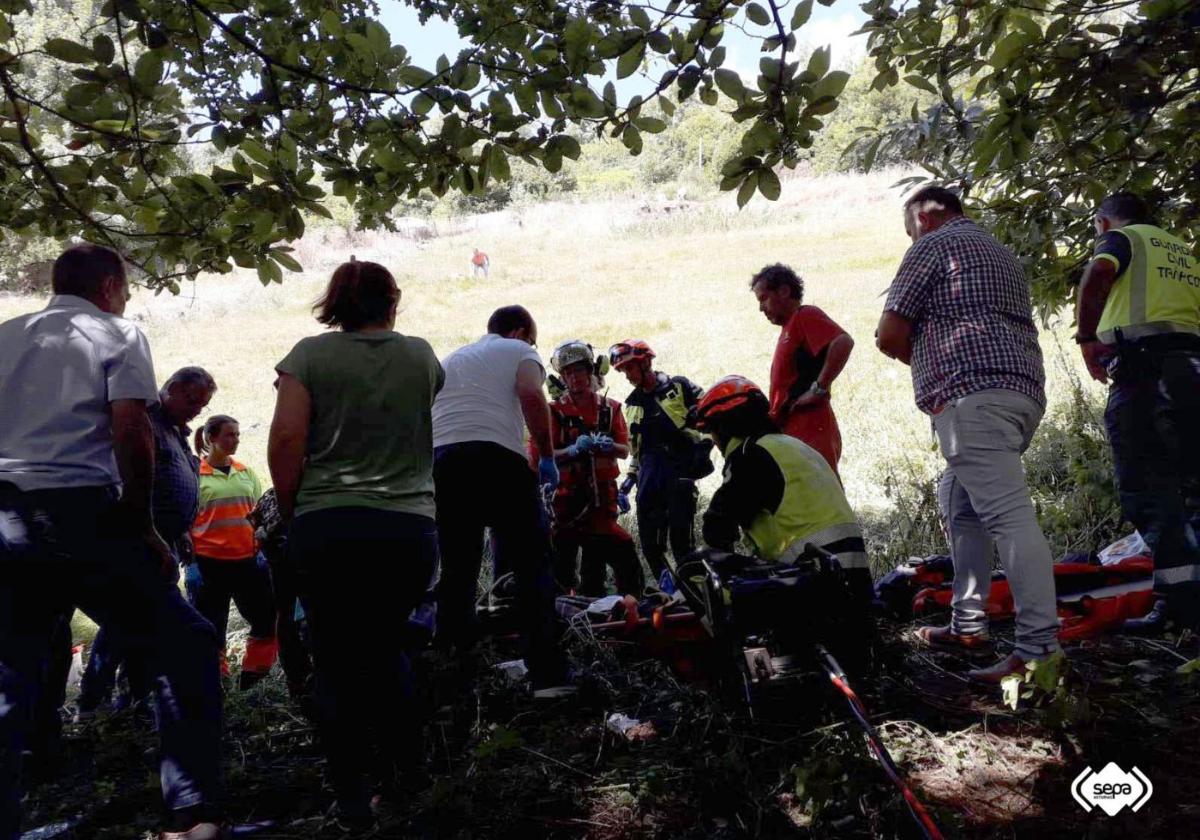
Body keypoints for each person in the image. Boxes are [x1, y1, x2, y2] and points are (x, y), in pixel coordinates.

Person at [0, 244, 222, 840]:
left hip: (6, 515)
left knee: (11, 670)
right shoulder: (116, 332)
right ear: (107, 285)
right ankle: (193, 814)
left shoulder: (5, 336)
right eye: (124, 288)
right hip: (79, 510)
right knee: (186, 644)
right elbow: (130, 427)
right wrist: (140, 521)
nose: (127, 298)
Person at [269, 260, 444, 828]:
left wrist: (296, 513)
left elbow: (288, 436)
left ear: (336, 301)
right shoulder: (421, 355)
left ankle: (351, 798)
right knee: (388, 647)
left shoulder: (308, 356)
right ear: (392, 299)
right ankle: (407, 779)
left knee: (337, 663)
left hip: (329, 526)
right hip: (407, 528)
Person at [876, 185, 1059, 683]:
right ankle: (967, 625)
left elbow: (888, 336)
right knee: (960, 502)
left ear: (924, 217)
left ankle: (1039, 647)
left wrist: (932, 365)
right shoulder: (998, 250)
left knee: (1008, 517)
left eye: (908, 229)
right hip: (1021, 395)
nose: (909, 237)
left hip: (971, 400)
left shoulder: (932, 246)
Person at [1075, 191, 1200, 632]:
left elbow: (1099, 271)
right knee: (1192, 489)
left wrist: (1086, 337)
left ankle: (1179, 607)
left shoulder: (1122, 240)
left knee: (1148, 487)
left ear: (1103, 223)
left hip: (1145, 373)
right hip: (1192, 371)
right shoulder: (1181, 252)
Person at [431, 305, 571, 697]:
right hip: (496, 457)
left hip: (442, 462)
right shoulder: (519, 349)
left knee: (458, 568)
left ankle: (455, 673)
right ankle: (547, 674)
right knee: (532, 563)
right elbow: (530, 393)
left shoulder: (451, 358)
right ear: (521, 330)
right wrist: (545, 455)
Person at [76, 366, 216, 718]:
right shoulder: (144, 423)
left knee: (138, 619)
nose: (197, 409)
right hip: (141, 538)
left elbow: (175, 481)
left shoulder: (174, 430)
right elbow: (133, 479)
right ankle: (95, 700)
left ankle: (133, 696)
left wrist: (182, 530)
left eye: (203, 405)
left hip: (165, 537)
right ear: (170, 388)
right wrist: (148, 530)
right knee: (130, 617)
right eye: (192, 400)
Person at [695, 376, 874, 605]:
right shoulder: (791, 445)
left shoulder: (749, 455)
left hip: (814, 582)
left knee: (703, 563)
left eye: (713, 432)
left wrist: (719, 567)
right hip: (856, 581)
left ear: (724, 427)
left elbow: (717, 525)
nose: (715, 442)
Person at [532, 340, 643, 597]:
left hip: (602, 504)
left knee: (616, 555)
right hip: (566, 507)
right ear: (562, 377)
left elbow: (624, 450)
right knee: (562, 569)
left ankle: (629, 607)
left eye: (579, 370)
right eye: (568, 373)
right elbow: (540, 458)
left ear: (590, 371)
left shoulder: (611, 408)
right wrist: (572, 451)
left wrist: (608, 446)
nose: (574, 377)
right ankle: (562, 617)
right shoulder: (553, 412)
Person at [608, 340, 713, 585]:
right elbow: (637, 449)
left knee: (682, 543)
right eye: (623, 372)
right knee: (650, 545)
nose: (627, 376)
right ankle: (670, 592)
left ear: (645, 363)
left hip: (679, 471)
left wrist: (704, 447)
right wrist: (629, 480)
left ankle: (698, 593)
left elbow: (710, 415)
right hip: (649, 476)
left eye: (630, 369)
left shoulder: (679, 386)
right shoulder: (632, 403)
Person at [190, 414, 276, 689]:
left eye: (238, 435)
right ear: (211, 439)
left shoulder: (245, 472)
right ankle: (216, 682)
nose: (235, 440)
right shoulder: (195, 477)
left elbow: (258, 514)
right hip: (209, 564)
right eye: (229, 435)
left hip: (248, 562)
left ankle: (254, 678)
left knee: (265, 620)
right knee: (211, 627)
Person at [750, 263, 854, 472]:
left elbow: (843, 342)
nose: (761, 308)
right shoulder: (788, 329)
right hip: (792, 429)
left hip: (810, 426)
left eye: (763, 298)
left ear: (784, 291)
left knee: (821, 491)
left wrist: (819, 388)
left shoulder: (804, 315)